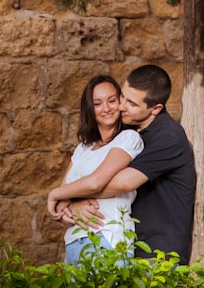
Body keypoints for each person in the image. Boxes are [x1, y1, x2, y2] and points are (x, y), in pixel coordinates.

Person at [57, 64, 196, 265]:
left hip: (159, 255)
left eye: (131, 103)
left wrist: (67, 197)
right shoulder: (129, 133)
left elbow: (122, 183)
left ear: (155, 108)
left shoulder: (168, 136)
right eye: (122, 97)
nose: (121, 107)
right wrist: (72, 204)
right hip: (133, 248)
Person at [47, 74, 143, 265]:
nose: (106, 108)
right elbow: (60, 210)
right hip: (74, 241)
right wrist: (72, 207)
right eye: (97, 103)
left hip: (107, 239)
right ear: (90, 109)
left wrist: (54, 194)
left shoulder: (128, 139)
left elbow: (95, 182)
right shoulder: (82, 148)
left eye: (112, 100)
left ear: (120, 101)